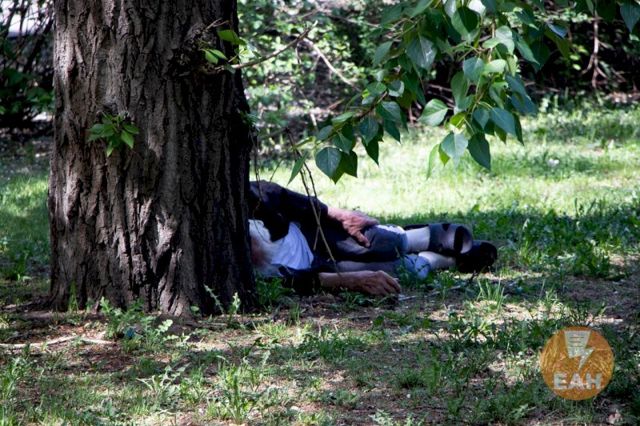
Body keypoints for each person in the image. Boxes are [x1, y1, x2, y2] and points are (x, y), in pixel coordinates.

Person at [248, 181, 497, 297]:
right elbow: (290, 283)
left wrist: (333, 213)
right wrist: (347, 281)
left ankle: (417, 237)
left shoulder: (238, 201)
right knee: (401, 272)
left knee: (383, 243)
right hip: (315, 269)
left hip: (308, 232)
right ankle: (442, 261)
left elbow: (273, 194)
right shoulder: (238, 273)